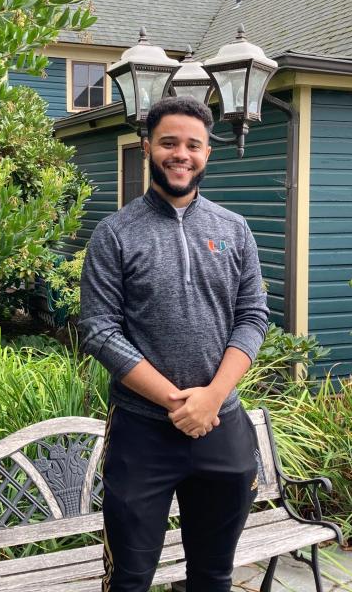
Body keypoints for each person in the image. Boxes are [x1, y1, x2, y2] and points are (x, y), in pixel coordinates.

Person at [78, 96, 270, 592]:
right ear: (147, 148)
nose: (180, 154)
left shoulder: (234, 229)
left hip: (221, 429)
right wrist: (176, 402)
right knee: (130, 578)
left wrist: (210, 399)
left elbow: (252, 318)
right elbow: (100, 329)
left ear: (207, 153)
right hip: (143, 437)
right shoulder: (115, 234)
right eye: (169, 143)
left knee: (213, 575)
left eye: (192, 145)